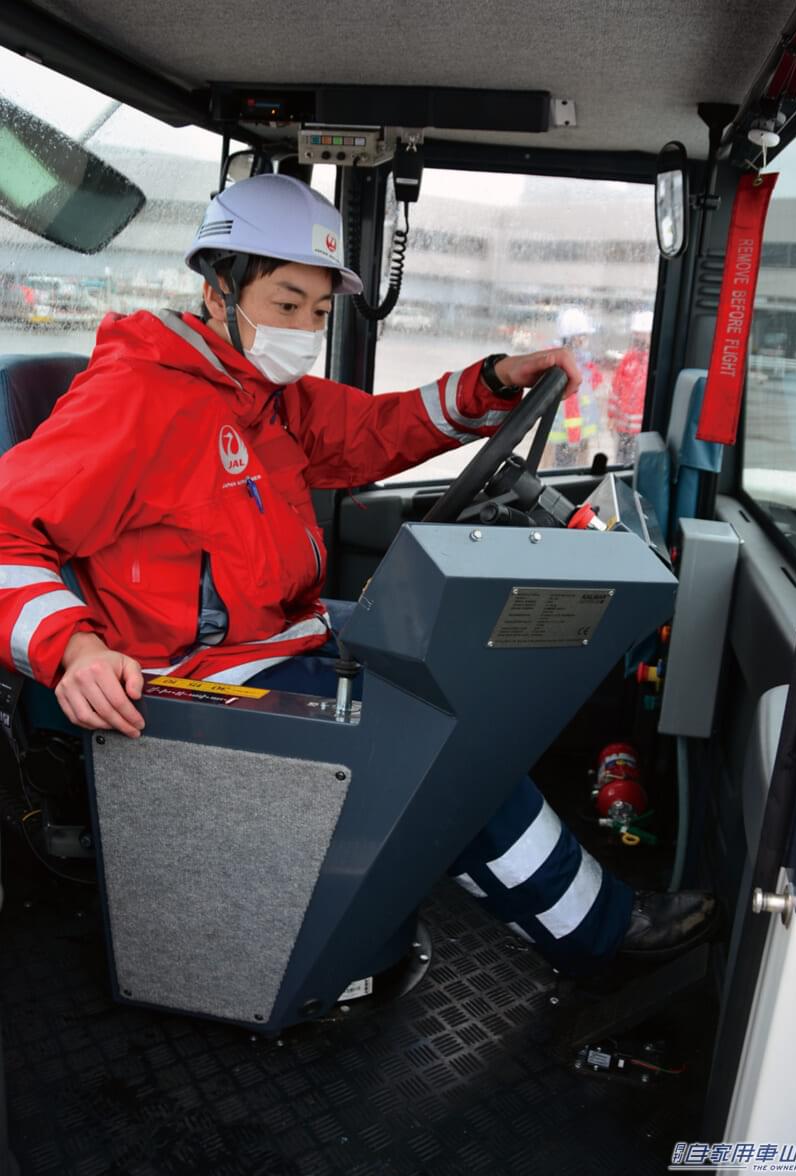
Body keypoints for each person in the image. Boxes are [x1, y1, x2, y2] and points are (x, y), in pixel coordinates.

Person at [0, 174, 712, 976]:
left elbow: (377, 431)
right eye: (284, 302)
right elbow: (7, 535)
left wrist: (489, 383)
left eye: (317, 311)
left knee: (450, 676)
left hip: (275, 642)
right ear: (216, 292)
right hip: (188, 689)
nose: (303, 327)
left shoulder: (262, 395)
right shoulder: (136, 398)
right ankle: (600, 934)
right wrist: (74, 650)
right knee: (443, 741)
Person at [541, 306, 604, 469]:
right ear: (573, 338)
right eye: (583, 335)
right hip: (567, 434)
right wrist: (574, 437)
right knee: (561, 468)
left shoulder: (581, 360)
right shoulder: (566, 364)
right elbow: (571, 403)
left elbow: (595, 381)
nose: (586, 339)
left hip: (580, 431)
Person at [608, 309, 652, 464]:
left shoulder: (652, 362)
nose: (639, 338)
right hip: (623, 426)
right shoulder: (629, 359)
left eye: (642, 334)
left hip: (641, 429)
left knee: (636, 463)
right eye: (637, 334)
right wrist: (612, 415)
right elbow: (616, 388)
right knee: (621, 461)